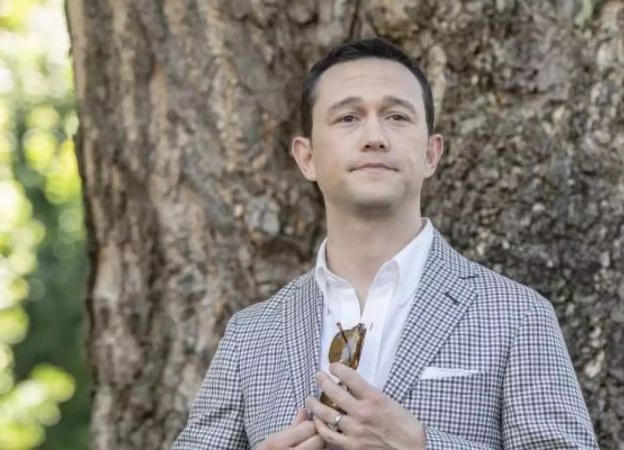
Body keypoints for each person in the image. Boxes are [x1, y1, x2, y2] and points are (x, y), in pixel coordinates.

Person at [173, 37, 598, 450]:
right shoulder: (250, 335)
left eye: (397, 116)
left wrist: (421, 447)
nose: (374, 136)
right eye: (348, 118)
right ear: (307, 158)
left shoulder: (518, 316)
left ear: (431, 154)